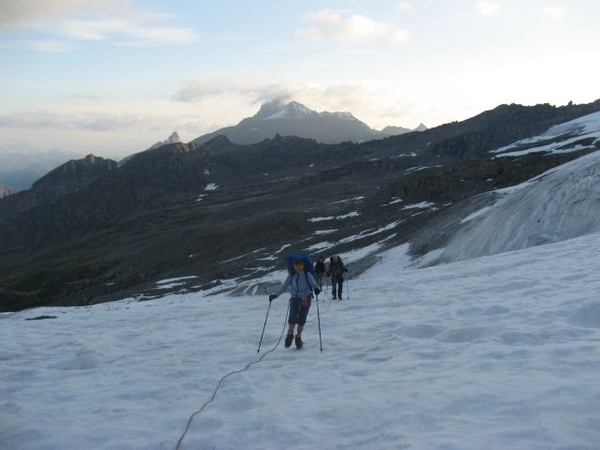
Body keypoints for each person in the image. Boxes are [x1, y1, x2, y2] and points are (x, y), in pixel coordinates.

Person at [269, 258, 320, 349]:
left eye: (300, 265)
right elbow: (284, 286)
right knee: (292, 318)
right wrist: (276, 295)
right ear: (293, 266)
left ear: (303, 266)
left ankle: (298, 337)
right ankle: (290, 334)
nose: (298, 267)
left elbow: (314, 284)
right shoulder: (291, 275)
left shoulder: (307, 274)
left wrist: (317, 289)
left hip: (305, 298)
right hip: (294, 298)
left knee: (302, 319)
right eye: (296, 265)